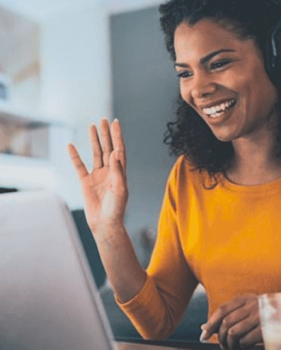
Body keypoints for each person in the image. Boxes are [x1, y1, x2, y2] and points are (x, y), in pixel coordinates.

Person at [68, 0, 281, 348]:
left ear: (275, 58)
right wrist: (108, 231)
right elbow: (158, 321)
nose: (198, 89)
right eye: (185, 73)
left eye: (219, 63)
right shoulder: (190, 176)